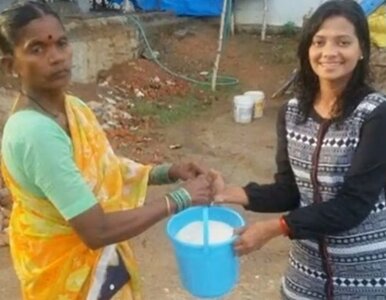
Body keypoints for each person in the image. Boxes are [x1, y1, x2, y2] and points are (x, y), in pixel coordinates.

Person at [0, 2, 217, 299]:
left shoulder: (71, 107)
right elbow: (96, 231)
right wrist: (181, 198)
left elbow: (106, 167)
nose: (56, 57)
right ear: (10, 65)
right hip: (66, 276)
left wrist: (167, 172)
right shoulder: (34, 133)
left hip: (99, 268)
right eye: (37, 49)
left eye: (62, 44)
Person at [214, 0, 386, 299]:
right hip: (305, 277)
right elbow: (290, 190)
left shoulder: (375, 114)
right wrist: (228, 194)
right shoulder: (293, 112)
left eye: (343, 42)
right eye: (319, 42)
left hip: (366, 277)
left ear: (361, 51)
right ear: (308, 49)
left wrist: (274, 228)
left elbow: (353, 205)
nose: (329, 52)